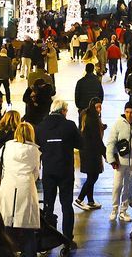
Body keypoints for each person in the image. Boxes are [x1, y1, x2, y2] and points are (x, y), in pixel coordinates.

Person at [0, 122, 42, 257]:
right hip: (26, 190)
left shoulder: (7, 147)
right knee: (28, 230)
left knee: (5, 227)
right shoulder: (35, 151)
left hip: (8, 189)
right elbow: (36, 174)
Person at [35, 100, 80, 253]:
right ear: (63, 111)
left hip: (48, 172)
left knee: (48, 205)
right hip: (65, 171)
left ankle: (47, 241)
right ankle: (67, 240)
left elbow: (37, 147)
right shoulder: (70, 126)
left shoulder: (40, 127)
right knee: (67, 205)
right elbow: (80, 144)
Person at [105, 102, 132, 222]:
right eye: (127, 112)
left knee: (128, 188)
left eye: (131, 112)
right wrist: (111, 160)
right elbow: (111, 142)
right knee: (117, 186)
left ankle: (123, 211)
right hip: (119, 163)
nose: (129, 114)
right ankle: (114, 209)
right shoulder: (118, 124)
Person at [75, 99, 104, 211]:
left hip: (85, 150)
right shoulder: (93, 119)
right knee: (93, 176)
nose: (99, 109)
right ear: (92, 106)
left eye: (100, 107)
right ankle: (79, 199)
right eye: (97, 107)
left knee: (90, 176)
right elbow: (96, 139)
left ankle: (90, 201)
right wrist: (105, 153)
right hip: (92, 152)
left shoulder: (85, 115)